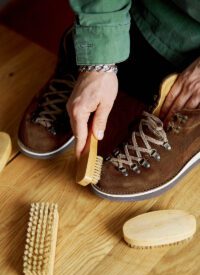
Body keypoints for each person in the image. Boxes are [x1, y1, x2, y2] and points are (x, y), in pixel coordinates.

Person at [17, 0, 200, 200]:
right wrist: (98, 61)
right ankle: (86, 56)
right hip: (141, 15)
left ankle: (183, 111)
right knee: (100, 42)